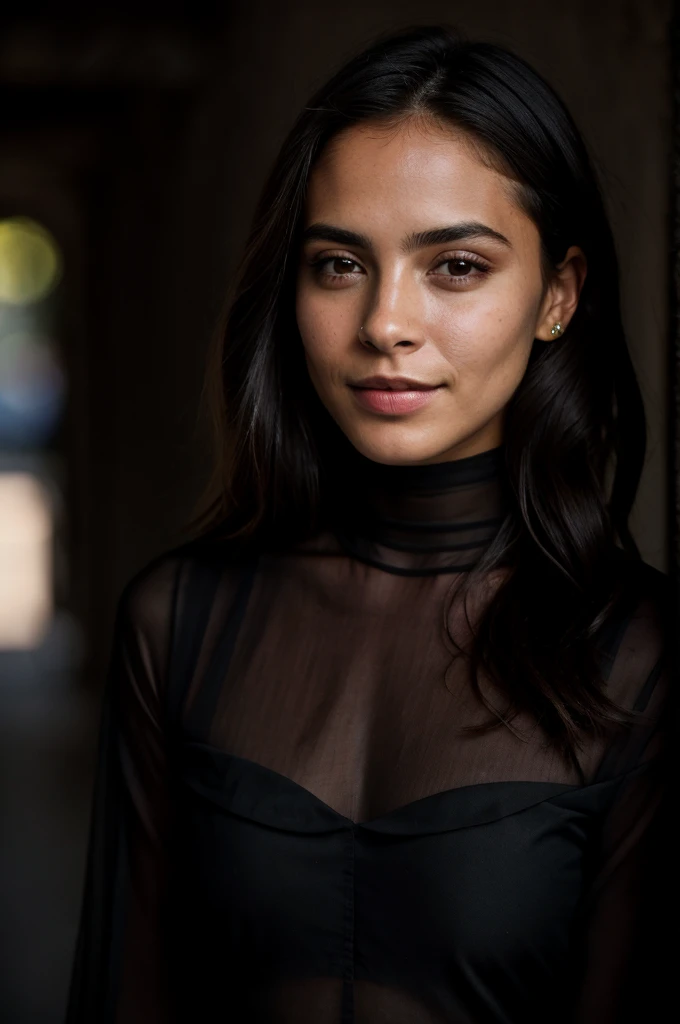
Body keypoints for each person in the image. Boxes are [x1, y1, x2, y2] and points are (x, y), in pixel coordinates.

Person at [64, 23, 674, 1024]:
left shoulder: (640, 656)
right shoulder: (178, 625)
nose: (384, 322)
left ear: (556, 295)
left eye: (456, 267)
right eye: (339, 265)